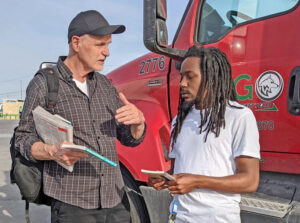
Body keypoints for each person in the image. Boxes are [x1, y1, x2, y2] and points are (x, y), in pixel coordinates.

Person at [15, 10, 146, 223]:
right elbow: (22, 139)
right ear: (76, 43)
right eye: (100, 44)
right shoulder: (44, 84)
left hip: (116, 201)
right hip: (73, 205)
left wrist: (138, 123)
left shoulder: (106, 86)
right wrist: (51, 151)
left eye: (109, 45)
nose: (107, 52)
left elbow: (128, 138)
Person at [148, 46, 260, 223]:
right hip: (179, 217)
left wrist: (196, 181)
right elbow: (179, 170)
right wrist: (165, 179)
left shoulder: (239, 116)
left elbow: (250, 181)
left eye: (190, 77)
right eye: (182, 76)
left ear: (212, 79)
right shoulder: (180, 119)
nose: (182, 83)